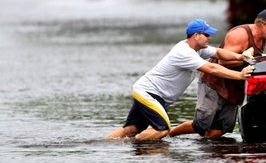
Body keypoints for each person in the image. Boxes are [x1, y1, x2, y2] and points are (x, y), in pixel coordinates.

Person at [107, 19, 255, 139]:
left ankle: (105, 145)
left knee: (132, 129)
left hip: (149, 92)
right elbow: (212, 68)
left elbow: (219, 53)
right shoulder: (184, 52)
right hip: (148, 92)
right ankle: (136, 151)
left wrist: (241, 56)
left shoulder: (197, 49)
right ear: (196, 36)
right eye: (207, 35)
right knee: (162, 129)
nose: (210, 38)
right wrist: (239, 75)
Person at [169, 8, 266, 138]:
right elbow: (222, 62)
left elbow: (251, 60)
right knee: (201, 124)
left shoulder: (263, 37)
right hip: (214, 82)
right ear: (263, 24)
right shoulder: (240, 34)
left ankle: (204, 150)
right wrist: (251, 61)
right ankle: (170, 135)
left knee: (222, 128)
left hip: (232, 85)